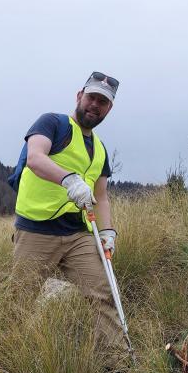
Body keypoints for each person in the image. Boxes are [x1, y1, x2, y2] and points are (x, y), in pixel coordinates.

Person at [12, 71, 124, 350]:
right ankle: (6, 356)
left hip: (78, 235)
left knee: (102, 294)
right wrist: (68, 179)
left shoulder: (99, 150)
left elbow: (101, 195)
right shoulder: (52, 123)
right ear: (79, 96)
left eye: (103, 102)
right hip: (37, 230)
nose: (95, 105)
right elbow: (35, 158)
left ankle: (118, 362)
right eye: (92, 97)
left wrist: (108, 230)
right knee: (19, 298)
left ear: (109, 109)